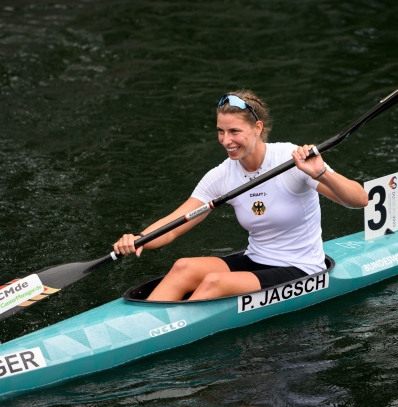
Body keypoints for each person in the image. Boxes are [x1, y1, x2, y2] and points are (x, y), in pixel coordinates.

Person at [114, 91, 368, 301]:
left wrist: (321, 172)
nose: (226, 140)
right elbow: (174, 225)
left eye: (234, 131)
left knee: (214, 282)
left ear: (257, 128)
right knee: (183, 267)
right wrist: (140, 239)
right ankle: (147, 324)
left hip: (303, 269)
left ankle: (166, 334)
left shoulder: (291, 160)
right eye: (220, 131)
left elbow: (359, 200)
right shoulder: (222, 175)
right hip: (256, 259)